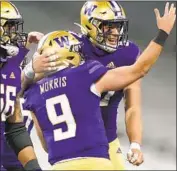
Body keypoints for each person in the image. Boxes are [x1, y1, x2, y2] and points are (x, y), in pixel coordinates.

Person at [21, 2, 176, 169]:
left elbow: (133, 106)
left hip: (102, 142)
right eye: (108, 27)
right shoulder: (74, 47)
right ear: (89, 26)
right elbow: (33, 80)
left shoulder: (127, 53)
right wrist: (34, 66)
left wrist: (135, 144)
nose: (115, 33)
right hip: (82, 145)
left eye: (118, 26)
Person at [0, 1, 44, 170]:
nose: (14, 33)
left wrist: (33, 167)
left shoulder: (9, 68)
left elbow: (15, 128)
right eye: (9, 27)